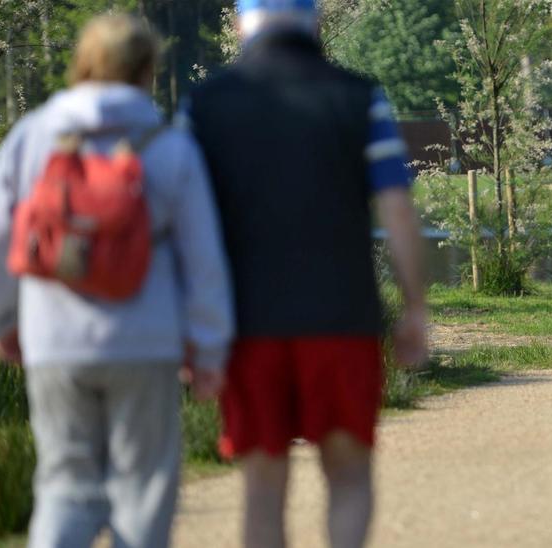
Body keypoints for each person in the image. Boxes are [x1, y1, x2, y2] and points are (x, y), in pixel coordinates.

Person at [0, 13, 233, 547]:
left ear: (83, 64)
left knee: (66, 486)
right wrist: (207, 351)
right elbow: (204, 258)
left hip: (53, 341)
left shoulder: (32, 136)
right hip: (146, 342)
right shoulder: (171, 145)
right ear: (146, 71)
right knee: (144, 489)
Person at [180, 1, 429, 547]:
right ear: (313, 20)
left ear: (242, 22)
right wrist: (415, 307)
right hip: (342, 320)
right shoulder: (359, 96)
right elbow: (397, 208)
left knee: (263, 489)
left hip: (246, 325)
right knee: (348, 476)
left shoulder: (204, 104)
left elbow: (179, 220)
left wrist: (186, 325)